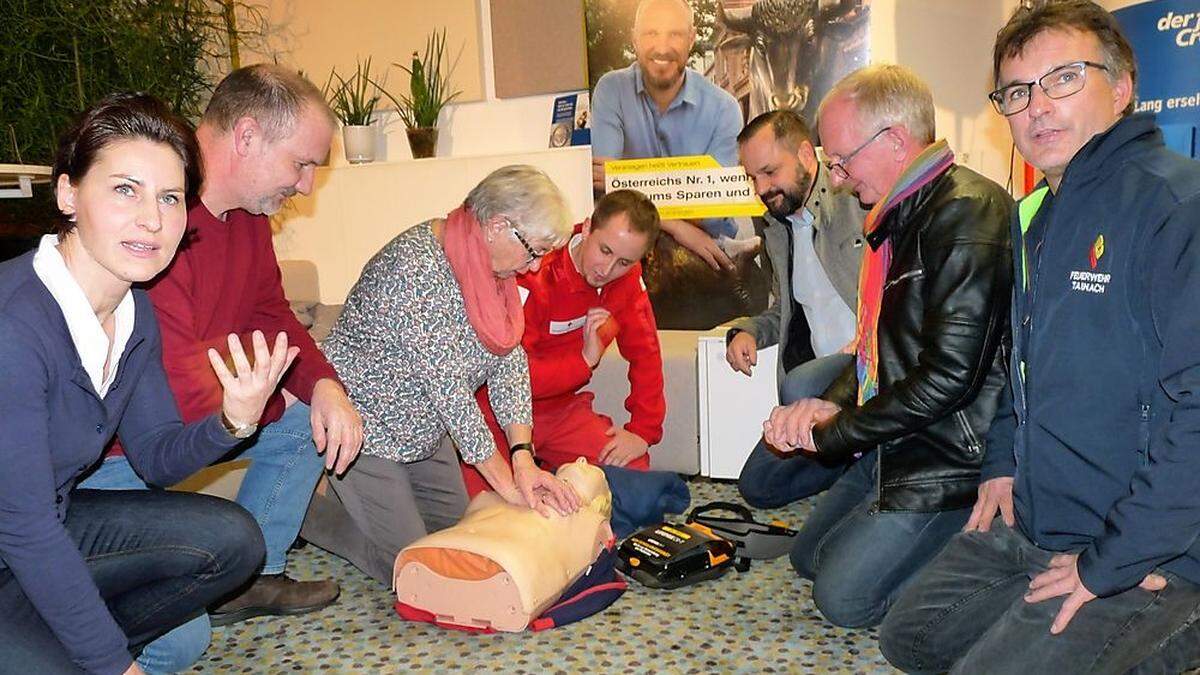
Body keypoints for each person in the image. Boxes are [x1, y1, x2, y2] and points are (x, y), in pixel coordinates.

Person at [879, 3, 1200, 673]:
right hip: (1045, 525)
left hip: (1154, 548)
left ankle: (1165, 622)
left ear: (1122, 86)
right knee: (908, 635)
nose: (1036, 107)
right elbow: (1017, 363)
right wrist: (1000, 458)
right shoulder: (1038, 218)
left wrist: (1113, 562)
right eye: (1018, 91)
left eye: (1063, 78)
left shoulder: (1175, 207)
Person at [78, 64, 357, 668]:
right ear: (248, 136)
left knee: (313, 415)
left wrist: (326, 386)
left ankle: (250, 580)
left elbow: (271, 311)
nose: (307, 186)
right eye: (301, 163)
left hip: (207, 420)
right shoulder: (153, 231)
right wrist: (270, 401)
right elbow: (172, 396)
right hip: (123, 458)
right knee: (182, 643)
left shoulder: (250, 220)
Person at [0, 92, 282, 674]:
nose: (152, 219)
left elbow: (156, 458)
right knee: (110, 658)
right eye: (125, 189)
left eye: (170, 197)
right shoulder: (14, 326)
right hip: (21, 533)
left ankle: (58, 636)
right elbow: (23, 528)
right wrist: (115, 666)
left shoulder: (134, 310)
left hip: (42, 528)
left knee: (235, 541)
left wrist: (235, 419)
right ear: (68, 194)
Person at [761, 64, 1013, 629]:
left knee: (843, 601)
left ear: (896, 140)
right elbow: (876, 344)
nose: (841, 178)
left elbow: (950, 378)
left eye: (844, 159)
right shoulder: (900, 213)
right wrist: (831, 403)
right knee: (809, 560)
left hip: (946, 456)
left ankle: (982, 544)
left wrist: (837, 431)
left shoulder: (968, 212)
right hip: (897, 438)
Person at [301, 165, 583, 586]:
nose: (534, 266)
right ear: (498, 226)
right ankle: (308, 512)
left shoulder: (493, 270)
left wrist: (523, 457)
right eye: (534, 250)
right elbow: (450, 393)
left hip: (425, 430)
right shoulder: (415, 269)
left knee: (458, 538)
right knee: (418, 570)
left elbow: (508, 360)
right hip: (365, 426)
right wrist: (508, 485)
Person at [459, 189, 664, 494]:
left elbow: (646, 354)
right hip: (500, 411)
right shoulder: (536, 268)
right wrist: (583, 361)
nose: (607, 270)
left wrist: (643, 431)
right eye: (604, 250)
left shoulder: (628, 279)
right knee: (489, 506)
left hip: (562, 411)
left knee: (632, 474)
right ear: (588, 225)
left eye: (624, 261)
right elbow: (510, 375)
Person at [729, 109, 866, 510]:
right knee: (757, 485)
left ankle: (860, 453)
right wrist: (749, 330)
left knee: (798, 386)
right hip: (820, 390)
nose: (761, 188)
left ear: (807, 155)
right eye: (752, 177)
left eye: (770, 172)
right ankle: (851, 460)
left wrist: (870, 334)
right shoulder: (777, 230)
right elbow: (784, 312)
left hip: (867, 374)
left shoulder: (859, 204)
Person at [591, 0, 744, 272]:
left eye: (674, 34)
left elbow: (714, 206)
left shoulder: (725, 108)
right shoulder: (611, 90)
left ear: (691, 38)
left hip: (709, 249)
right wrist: (679, 226)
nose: (662, 47)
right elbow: (605, 190)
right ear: (635, 39)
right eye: (651, 33)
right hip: (635, 247)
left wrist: (627, 179)